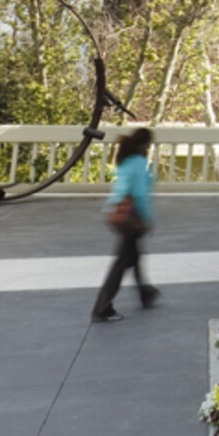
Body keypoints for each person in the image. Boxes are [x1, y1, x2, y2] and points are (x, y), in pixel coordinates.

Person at [91, 128, 161, 323]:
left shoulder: (126, 160)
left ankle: (146, 293)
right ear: (146, 143)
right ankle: (102, 308)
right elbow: (140, 195)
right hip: (130, 217)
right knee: (121, 263)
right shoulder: (140, 163)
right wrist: (147, 220)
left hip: (116, 213)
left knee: (133, 256)